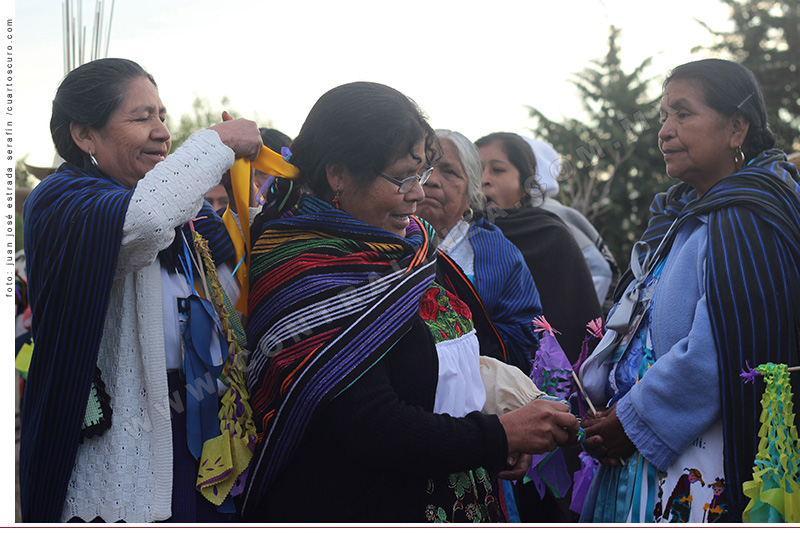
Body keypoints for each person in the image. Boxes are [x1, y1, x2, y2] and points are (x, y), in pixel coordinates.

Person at [239, 81, 580, 522]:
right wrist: (497, 435)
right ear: (338, 173)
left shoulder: (410, 250)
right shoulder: (308, 268)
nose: (418, 192)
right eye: (402, 177)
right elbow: (371, 425)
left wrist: (495, 437)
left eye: (420, 174)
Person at [20, 58, 264, 522]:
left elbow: (247, 270)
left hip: (202, 431)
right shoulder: (61, 200)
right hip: (123, 448)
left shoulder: (189, 218)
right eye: (141, 117)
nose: (162, 131)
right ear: (84, 135)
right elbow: (143, 223)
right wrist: (217, 143)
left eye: (162, 116)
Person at [577, 58, 800, 523]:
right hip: (645, 445)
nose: (665, 131)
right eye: (663, 116)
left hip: (701, 458)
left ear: (736, 127)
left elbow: (720, 348)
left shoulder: (748, 217)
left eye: (683, 113)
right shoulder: (684, 218)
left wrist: (633, 420)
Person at [417, 129, 542, 374]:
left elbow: (524, 338)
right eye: (423, 168)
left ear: (471, 192)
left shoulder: (500, 254)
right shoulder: (383, 241)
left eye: (449, 172)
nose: (430, 180)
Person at [475, 132, 602, 363]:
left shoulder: (550, 236)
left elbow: (578, 326)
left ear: (525, 186)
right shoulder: (453, 237)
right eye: (475, 170)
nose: (484, 179)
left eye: (498, 170)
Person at [523, 137, 620, 313]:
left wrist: (568, 327)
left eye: (499, 169)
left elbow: (599, 271)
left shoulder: (551, 215)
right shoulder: (509, 217)